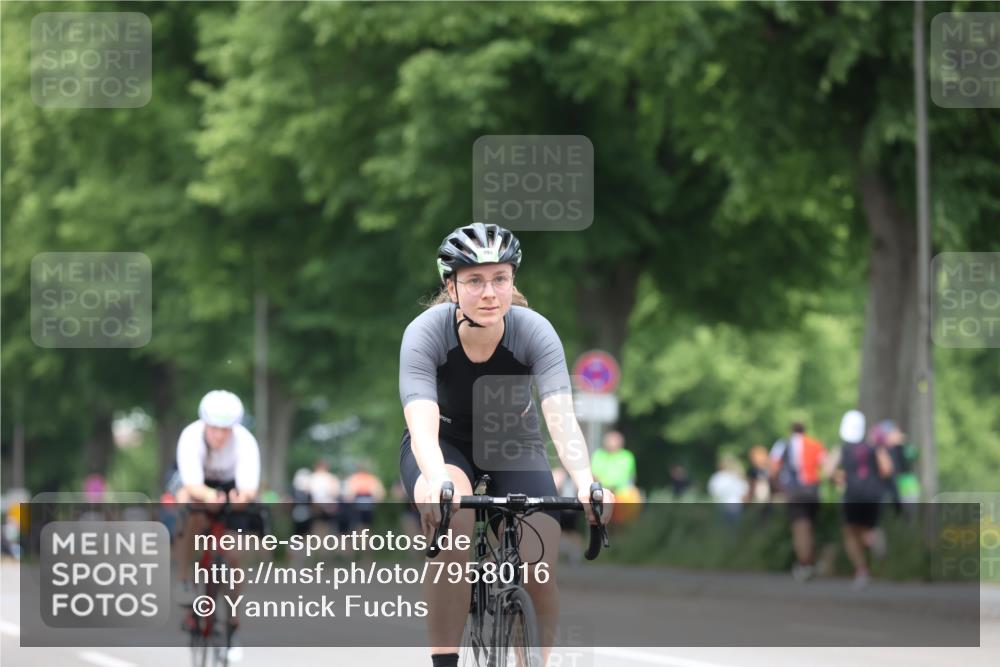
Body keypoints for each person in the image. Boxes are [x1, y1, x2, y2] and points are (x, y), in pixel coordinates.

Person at [398, 222, 613, 667]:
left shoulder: (534, 330)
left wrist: (587, 482)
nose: (489, 291)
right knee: (454, 526)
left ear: (513, 280)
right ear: (452, 286)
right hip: (444, 442)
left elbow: (560, 417)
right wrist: (436, 479)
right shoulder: (425, 332)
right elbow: (421, 422)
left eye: (500, 278)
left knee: (538, 565)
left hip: (514, 442)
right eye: (474, 280)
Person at [173, 390, 260, 659]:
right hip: (199, 484)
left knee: (234, 554)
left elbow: (249, 489)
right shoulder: (190, 437)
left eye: (225, 430)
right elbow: (191, 484)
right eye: (214, 429)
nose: (219, 436)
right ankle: (185, 579)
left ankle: (233, 621)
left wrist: (239, 499)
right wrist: (209, 496)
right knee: (190, 511)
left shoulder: (246, 442)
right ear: (204, 425)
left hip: (233, 486)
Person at [826, 409, 894, 589]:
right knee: (867, 527)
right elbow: (887, 469)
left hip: (853, 494)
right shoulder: (873, 447)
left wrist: (839, 478)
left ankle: (861, 570)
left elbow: (828, 470)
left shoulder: (841, 448)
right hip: (873, 493)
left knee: (850, 531)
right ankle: (872, 538)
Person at [770, 421, 827, 582]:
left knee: (799, 529)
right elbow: (826, 466)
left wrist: (777, 488)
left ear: (791, 430)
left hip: (794, 492)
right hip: (812, 492)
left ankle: (804, 564)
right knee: (809, 526)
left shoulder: (783, 444)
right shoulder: (815, 444)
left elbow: (773, 469)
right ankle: (809, 561)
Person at [707, 455, 749, 523]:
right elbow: (744, 492)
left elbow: (712, 493)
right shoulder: (737, 476)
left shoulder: (717, 477)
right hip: (735, 507)